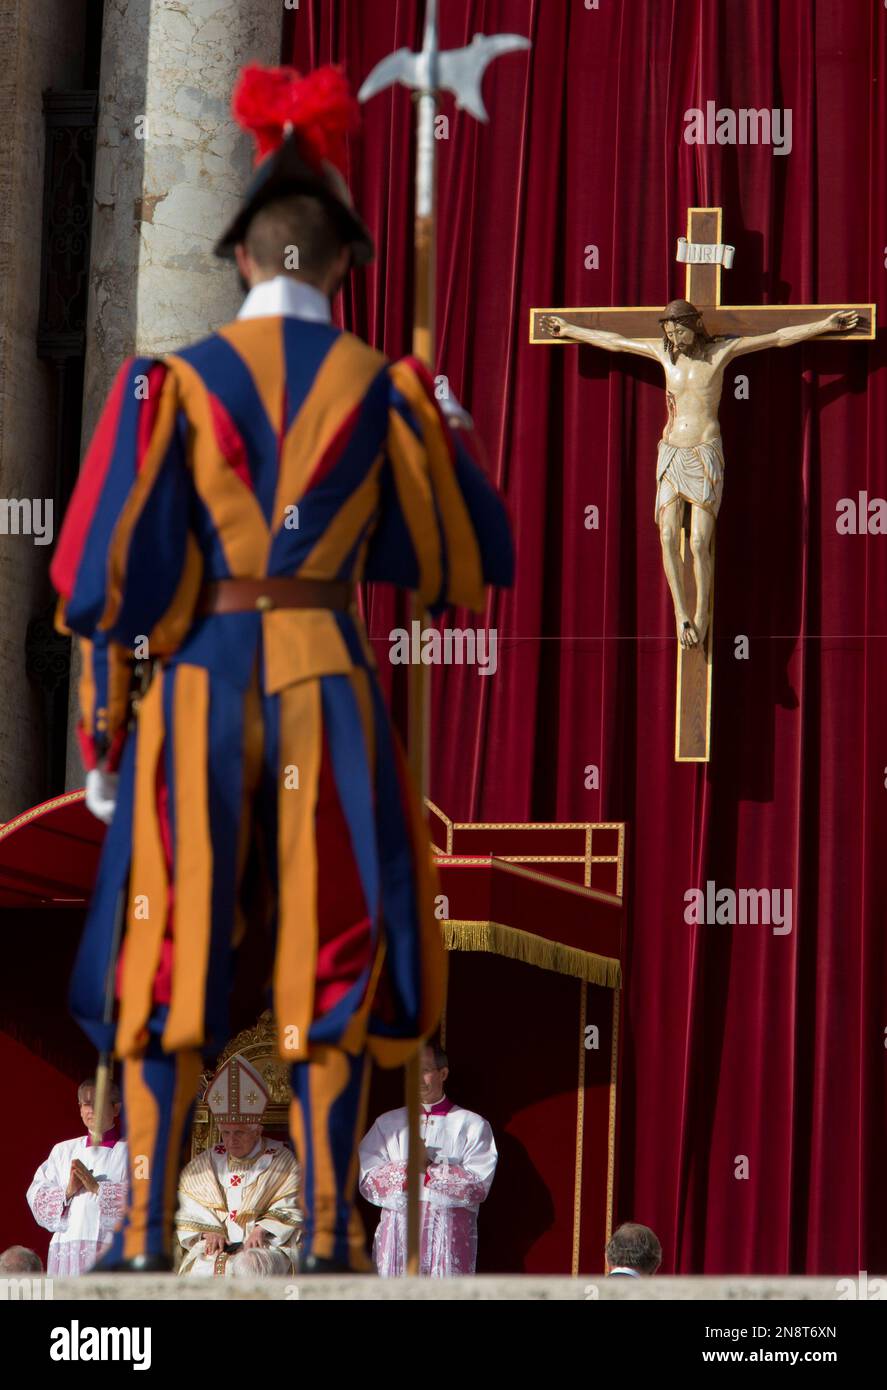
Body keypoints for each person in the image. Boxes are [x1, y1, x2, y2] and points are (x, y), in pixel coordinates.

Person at [49, 63, 513, 1273]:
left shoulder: (172, 384)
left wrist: (104, 736)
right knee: (331, 947)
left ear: (243, 257)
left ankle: (146, 1234)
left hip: (203, 678)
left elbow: (104, 569)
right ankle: (319, 1238)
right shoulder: (384, 389)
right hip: (325, 676)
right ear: (346, 265)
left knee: (168, 944)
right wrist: (439, 416)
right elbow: (465, 558)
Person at [542, 300, 859, 649]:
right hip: (672, 453)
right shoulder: (664, 356)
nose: (673, 338)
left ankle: (703, 612)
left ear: (694, 325)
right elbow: (616, 341)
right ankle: (682, 613)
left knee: (697, 542)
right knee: (665, 537)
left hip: (705, 454)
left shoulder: (721, 353)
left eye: (679, 330)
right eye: (669, 332)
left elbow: (779, 337)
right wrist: (571, 330)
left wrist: (824, 325)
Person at [358, 1044, 497, 1276]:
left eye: (425, 1070)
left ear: (443, 1073)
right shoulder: (388, 1124)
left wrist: (429, 1169)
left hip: (448, 1235)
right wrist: (406, 1170)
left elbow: (478, 1184)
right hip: (397, 1237)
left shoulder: (472, 1125)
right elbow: (368, 1179)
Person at [175, 1053, 302, 1277]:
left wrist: (262, 1230)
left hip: (266, 1243)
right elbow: (188, 1201)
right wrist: (207, 1232)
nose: (231, 1140)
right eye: (226, 1133)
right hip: (217, 1245)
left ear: (258, 1131)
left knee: (253, 1267)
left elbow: (294, 1201)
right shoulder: (208, 1161)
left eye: (240, 1132)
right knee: (203, 1272)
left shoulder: (281, 1159)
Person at [25, 1079, 128, 1275]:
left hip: (112, 1247)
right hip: (68, 1247)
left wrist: (99, 1189)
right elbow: (36, 1194)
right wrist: (68, 1191)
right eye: (86, 1104)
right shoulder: (63, 1150)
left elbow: (145, 1197)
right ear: (80, 1109)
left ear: (116, 1108)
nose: (91, 1110)